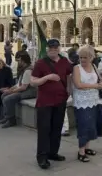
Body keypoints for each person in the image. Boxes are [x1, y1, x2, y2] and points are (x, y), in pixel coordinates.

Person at [30, 39, 73, 169]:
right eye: (50, 48)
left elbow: (70, 75)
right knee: (44, 130)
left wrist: (69, 90)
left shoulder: (65, 62)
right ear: (47, 49)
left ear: (59, 48)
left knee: (56, 128)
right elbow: (33, 81)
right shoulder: (40, 63)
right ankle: (42, 157)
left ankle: (53, 152)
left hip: (60, 100)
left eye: (55, 47)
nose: (53, 50)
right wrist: (47, 77)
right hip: (45, 102)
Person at [72, 45, 102, 162]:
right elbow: (78, 85)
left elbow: (100, 79)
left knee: (92, 124)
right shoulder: (77, 68)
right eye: (80, 57)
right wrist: (95, 86)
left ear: (91, 57)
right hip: (82, 102)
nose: (82, 60)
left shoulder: (94, 66)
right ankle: (81, 152)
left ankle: (87, 148)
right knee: (84, 125)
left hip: (95, 100)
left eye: (85, 57)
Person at [0, 53, 37, 128]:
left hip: (31, 91)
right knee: (4, 95)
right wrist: (9, 89)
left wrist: (11, 92)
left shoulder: (28, 70)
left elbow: (23, 87)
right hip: (25, 89)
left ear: (24, 61)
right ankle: (7, 117)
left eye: (19, 60)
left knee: (8, 99)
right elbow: (18, 84)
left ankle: (11, 120)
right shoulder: (24, 69)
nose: (18, 62)